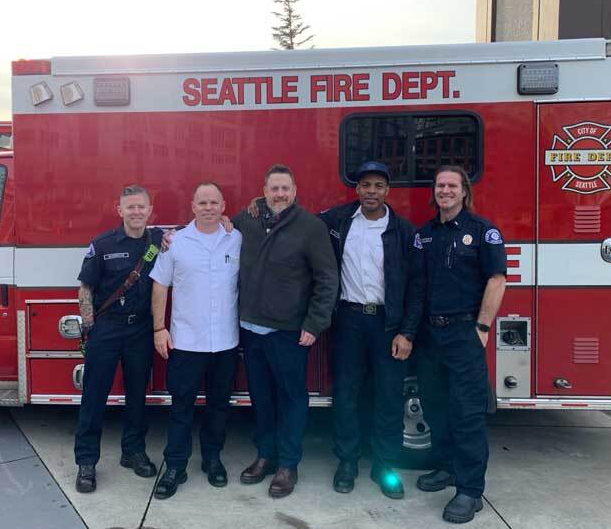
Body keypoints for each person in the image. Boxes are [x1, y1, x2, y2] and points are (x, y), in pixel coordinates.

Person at [317, 160, 423, 499]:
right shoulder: (337, 221)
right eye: (365, 185)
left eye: (378, 186)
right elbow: (299, 223)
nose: (371, 192)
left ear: (387, 191)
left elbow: (416, 287)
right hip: (348, 321)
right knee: (346, 395)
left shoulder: (403, 231)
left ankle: (384, 466)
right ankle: (347, 462)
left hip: (388, 324)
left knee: (389, 396)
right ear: (357, 189)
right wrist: (256, 207)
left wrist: (407, 332)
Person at [234, 164, 338, 498]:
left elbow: (327, 279)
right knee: (262, 399)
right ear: (263, 191)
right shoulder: (246, 221)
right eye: (274, 188)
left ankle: (288, 465)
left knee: (292, 399)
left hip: (289, 333)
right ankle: (266, 456)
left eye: (285, 189)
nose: (280, 194)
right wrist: (167, 235)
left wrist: (314, 324)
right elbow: (214, 226)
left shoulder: (311, 227)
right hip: (251, 329)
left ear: (294, 191)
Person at [414, 165, 507, 524]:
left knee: (467, 413)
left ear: (464, 191)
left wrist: (482, 326)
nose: (445, 191)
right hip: (430, 335)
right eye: (440, 185)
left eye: (452, 185)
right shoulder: (425, 235)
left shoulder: (484, 231)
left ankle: (470, 490)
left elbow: (497, 280)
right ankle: (446, 467)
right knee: (436, 407)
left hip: (464, 333)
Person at [150, 182, 242, 500]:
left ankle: (212, 459)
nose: (208, 208)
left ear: (223, 205)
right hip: (186, 343)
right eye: (202, 202)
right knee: (181, 408)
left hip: (226, 343)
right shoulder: (175, 242)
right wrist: (159, 329)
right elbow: (160, 286)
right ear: (192, 206)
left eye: (213, 202)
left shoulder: (236, 239)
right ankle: (175, 466)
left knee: (218, 407)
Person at [74, 185, 163, 493]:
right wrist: (89, 325)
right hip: (107, 329)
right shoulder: (103, 244)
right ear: (120, 210)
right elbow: (85, 287)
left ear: (150, 210)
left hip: (140, 329)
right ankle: (86, 462)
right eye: (131, 207)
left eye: (142, 207)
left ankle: (133, 451)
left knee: (137, 395)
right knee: (94, 396)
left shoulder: (159, 241)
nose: (136, 212)